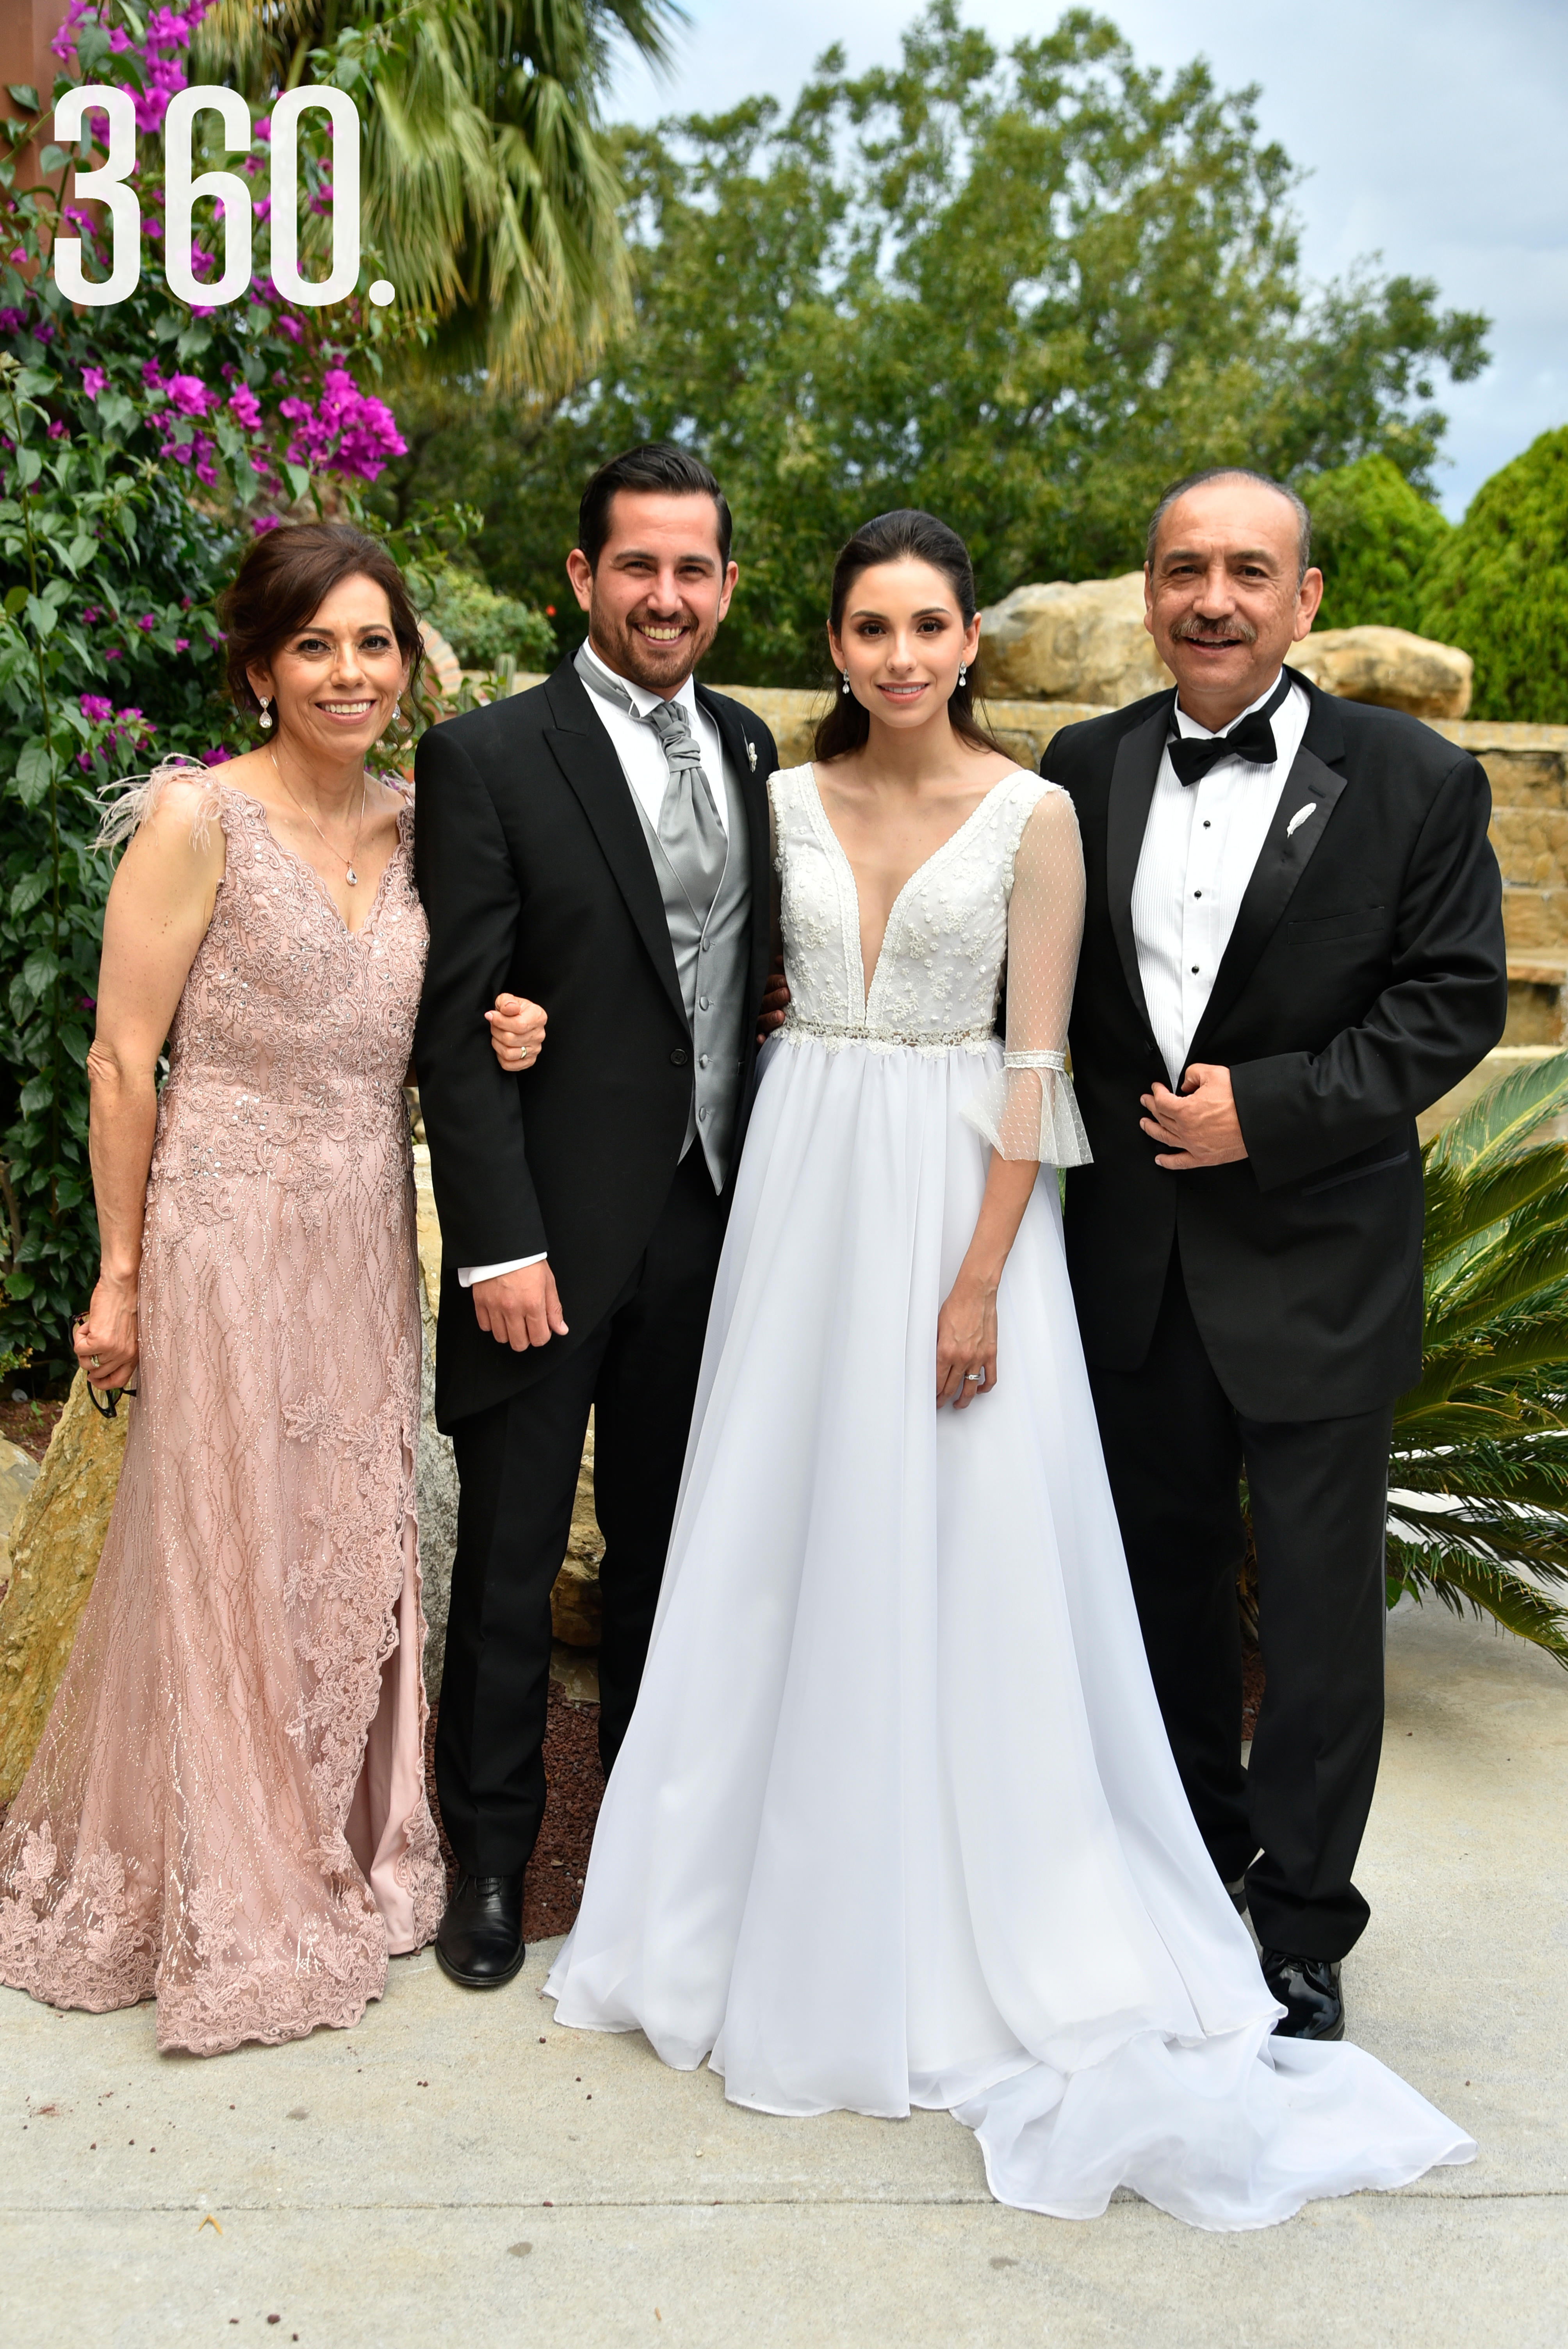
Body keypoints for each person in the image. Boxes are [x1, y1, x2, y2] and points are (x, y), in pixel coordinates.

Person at [541, 508, 1474, 2229]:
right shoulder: (852, 791)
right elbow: (674, 968)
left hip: (1062, 1223)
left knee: (1188, 1589)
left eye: (928, 627)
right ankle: (792, 1890)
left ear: (971, 642)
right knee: (819, 1544)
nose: (900, 654)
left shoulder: (1133, 801)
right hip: (819, 1208)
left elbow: (1082, 1054)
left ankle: (1282, 1925)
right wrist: (526, 1017)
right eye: (869, 626)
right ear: (831, 644)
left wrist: (995, 1266)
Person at [1046, 468, 1508, 2040]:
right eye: (1182, 567)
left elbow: (1448, 1004)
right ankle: (1193, 1872)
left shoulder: (1412, 781)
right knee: (1162, 1600)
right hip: (1126, 1271)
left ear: (1301, 599)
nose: (1211, 598)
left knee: (1313, 1621)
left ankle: (1304, 1922)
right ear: (1148, 588)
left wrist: (1276, 1109)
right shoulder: (1077, 766)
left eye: (1248, 569)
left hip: (1313, 1265)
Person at [0, 522, 453, 2054]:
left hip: (359, 1235)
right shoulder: (199, 818)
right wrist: (120, 1275)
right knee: (218, 1538)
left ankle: (346, 1837)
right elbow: (124, 1059)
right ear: (261, 666)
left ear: (406, 662)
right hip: (220, 1230)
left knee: (341, 1533)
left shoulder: (424, 827)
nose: (349, 671)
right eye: (315, 644)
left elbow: (450, 1024)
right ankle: (215, 1877)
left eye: (374, 642)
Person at [413, 443, 782, 1993]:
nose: (664, 594)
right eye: (636, 565)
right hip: (543, 1239)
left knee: (666, 1550)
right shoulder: (490, 757)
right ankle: (489, 1863)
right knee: (505, 1565)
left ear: (724, 586)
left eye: (692, 568)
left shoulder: (759, 747)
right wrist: (498, 1243)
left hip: (713, 1225)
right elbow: (452, 1018)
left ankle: (637, 1845)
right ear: (581, 577)